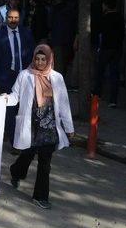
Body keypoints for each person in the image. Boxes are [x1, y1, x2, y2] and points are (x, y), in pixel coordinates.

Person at [5, 44, 74, 210]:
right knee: (27, 155)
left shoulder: (57, 78)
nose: (40, 62)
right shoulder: (25, 75)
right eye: (37, 58)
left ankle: (40, 196)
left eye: (44, 59)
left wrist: (69, 127)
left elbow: (63, 103)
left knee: (45, 163)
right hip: (31, 125)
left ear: (49, 59)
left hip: (49, 127)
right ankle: (16, 172)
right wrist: (4, 99)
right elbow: (15, 96)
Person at [0, 8, 34, 145]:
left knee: (23, 109)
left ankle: (20, 136)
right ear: (5, 18)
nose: (13, 20)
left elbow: (32, 54)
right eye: (10, 17)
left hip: (25, 76)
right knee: (10, 110)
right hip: (6, 78)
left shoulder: (26, 33)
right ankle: (14, 141)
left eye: (16, 18)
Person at [94, 0, 124, 108]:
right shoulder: (120, 17)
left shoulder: (104, 18)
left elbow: (100, 33)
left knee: (100, 72)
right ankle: (113, 100)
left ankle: (97, 94)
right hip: (117, 48)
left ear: (106, 5)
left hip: (106, 48)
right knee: (114, 73)